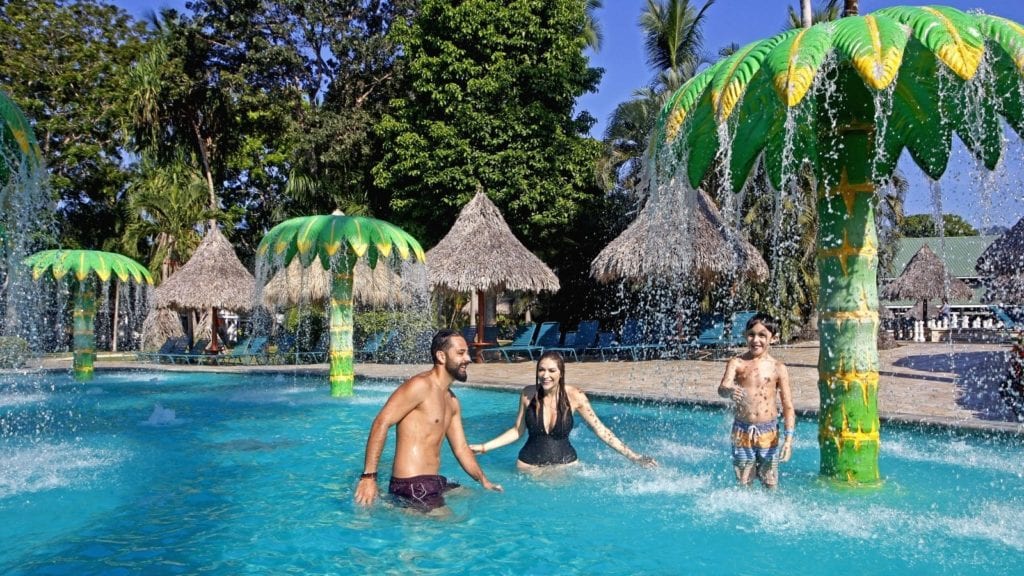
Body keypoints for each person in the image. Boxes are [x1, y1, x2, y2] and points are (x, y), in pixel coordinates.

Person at [354, 329, 502, 512]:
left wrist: (483, 480)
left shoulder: (452, 401)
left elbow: (461, 448)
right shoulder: (420, 386)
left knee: (478, 496)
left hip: (432, 481)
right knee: (455, 527)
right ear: (441, 356)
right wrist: (369, 477)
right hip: (411, 485)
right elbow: (381, 422)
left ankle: (393, 505)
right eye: (461, 353)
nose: (468, 359)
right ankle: (399, 504)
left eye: (467, 352)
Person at [469, 351, 657, 470]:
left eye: (551, 371)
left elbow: (601, 430)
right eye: (541, 370)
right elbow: (517, 430)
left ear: (561, 373)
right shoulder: (528, 394)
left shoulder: (575, 396)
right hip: (529, 469)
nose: (545, 375)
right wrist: (485, 447)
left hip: (565, 470)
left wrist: (634, 456)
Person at [717, 312, 795, 488]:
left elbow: (788, 407)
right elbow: (722, 389)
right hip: (741, 431)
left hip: (769, 432)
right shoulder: (737, 363)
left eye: (762, 335)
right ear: (745, 336)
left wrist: (789, 440)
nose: (756, 340)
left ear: (773, 339)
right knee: (744, 481)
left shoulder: (778, 368)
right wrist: (728, 391)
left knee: (770, 480)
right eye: (751, 334)